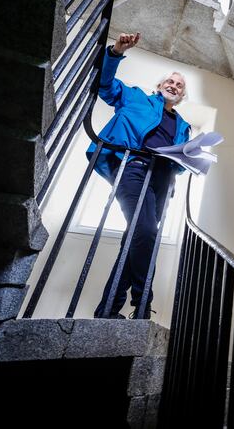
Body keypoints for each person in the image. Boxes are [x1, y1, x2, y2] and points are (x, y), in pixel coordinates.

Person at [87, 32, 191, 319]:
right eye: (170, 81)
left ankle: (107, 309)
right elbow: (106, 87)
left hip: (162, 179)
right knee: (146, 232)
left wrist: (191, 158)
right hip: (132, 166)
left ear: (181, 96)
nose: (174, 86)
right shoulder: (135, 98)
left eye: (180, 86)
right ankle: (142, 303)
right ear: (159, 86)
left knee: (135, 239)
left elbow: (181, 164)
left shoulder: (183, 125)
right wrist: (117, 51)